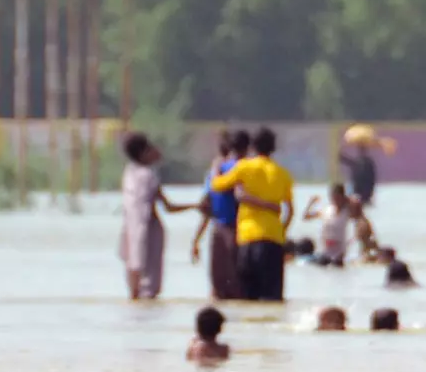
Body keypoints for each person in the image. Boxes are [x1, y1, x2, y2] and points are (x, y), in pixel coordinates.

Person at [210, 127, 295, 302]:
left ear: (253, 147)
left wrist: (216, 167)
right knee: (273, 298)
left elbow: (217, 185)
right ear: (273, 148)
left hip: (248, 238)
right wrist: (282, 230)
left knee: (248, 298)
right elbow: (290, 211)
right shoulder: (283, 174)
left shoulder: (244, 167)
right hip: (273, 239)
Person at [119, 132, 194, 300]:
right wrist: (196, 206)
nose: (157, 150)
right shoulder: (147, 175)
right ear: (143, 153)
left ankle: (135, 308)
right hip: (147, 230)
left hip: (130, 229)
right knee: (149, 284)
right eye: (151, 148)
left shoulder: (129, 172)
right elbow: (168, 207)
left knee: (135, 279)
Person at [192, 130, 249, 300]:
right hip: (237, 230)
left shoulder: (214, 172)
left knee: (217, 286)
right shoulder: (245, 169)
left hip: (218, 229)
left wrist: (196, 240)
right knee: (237, 285)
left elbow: (206, 207)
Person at [303, 184, 356, 267]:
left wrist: (347, 199)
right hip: (325, 252)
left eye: (338, 197)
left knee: (337, 267)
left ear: (343, 197)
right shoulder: (328, 210)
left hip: (339, 253)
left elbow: (357, 206)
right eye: (333, 197)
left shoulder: (347, 211)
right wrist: (311, 203)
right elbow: (306, 217)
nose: (335, 200)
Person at [340, 139, 378, 204]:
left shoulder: (368, 162)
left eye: (362, 148)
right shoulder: (358, 161)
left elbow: (372, 177)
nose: (361, 150)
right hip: (359, 190)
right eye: (360, 148)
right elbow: (347, 161)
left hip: (365, 190)